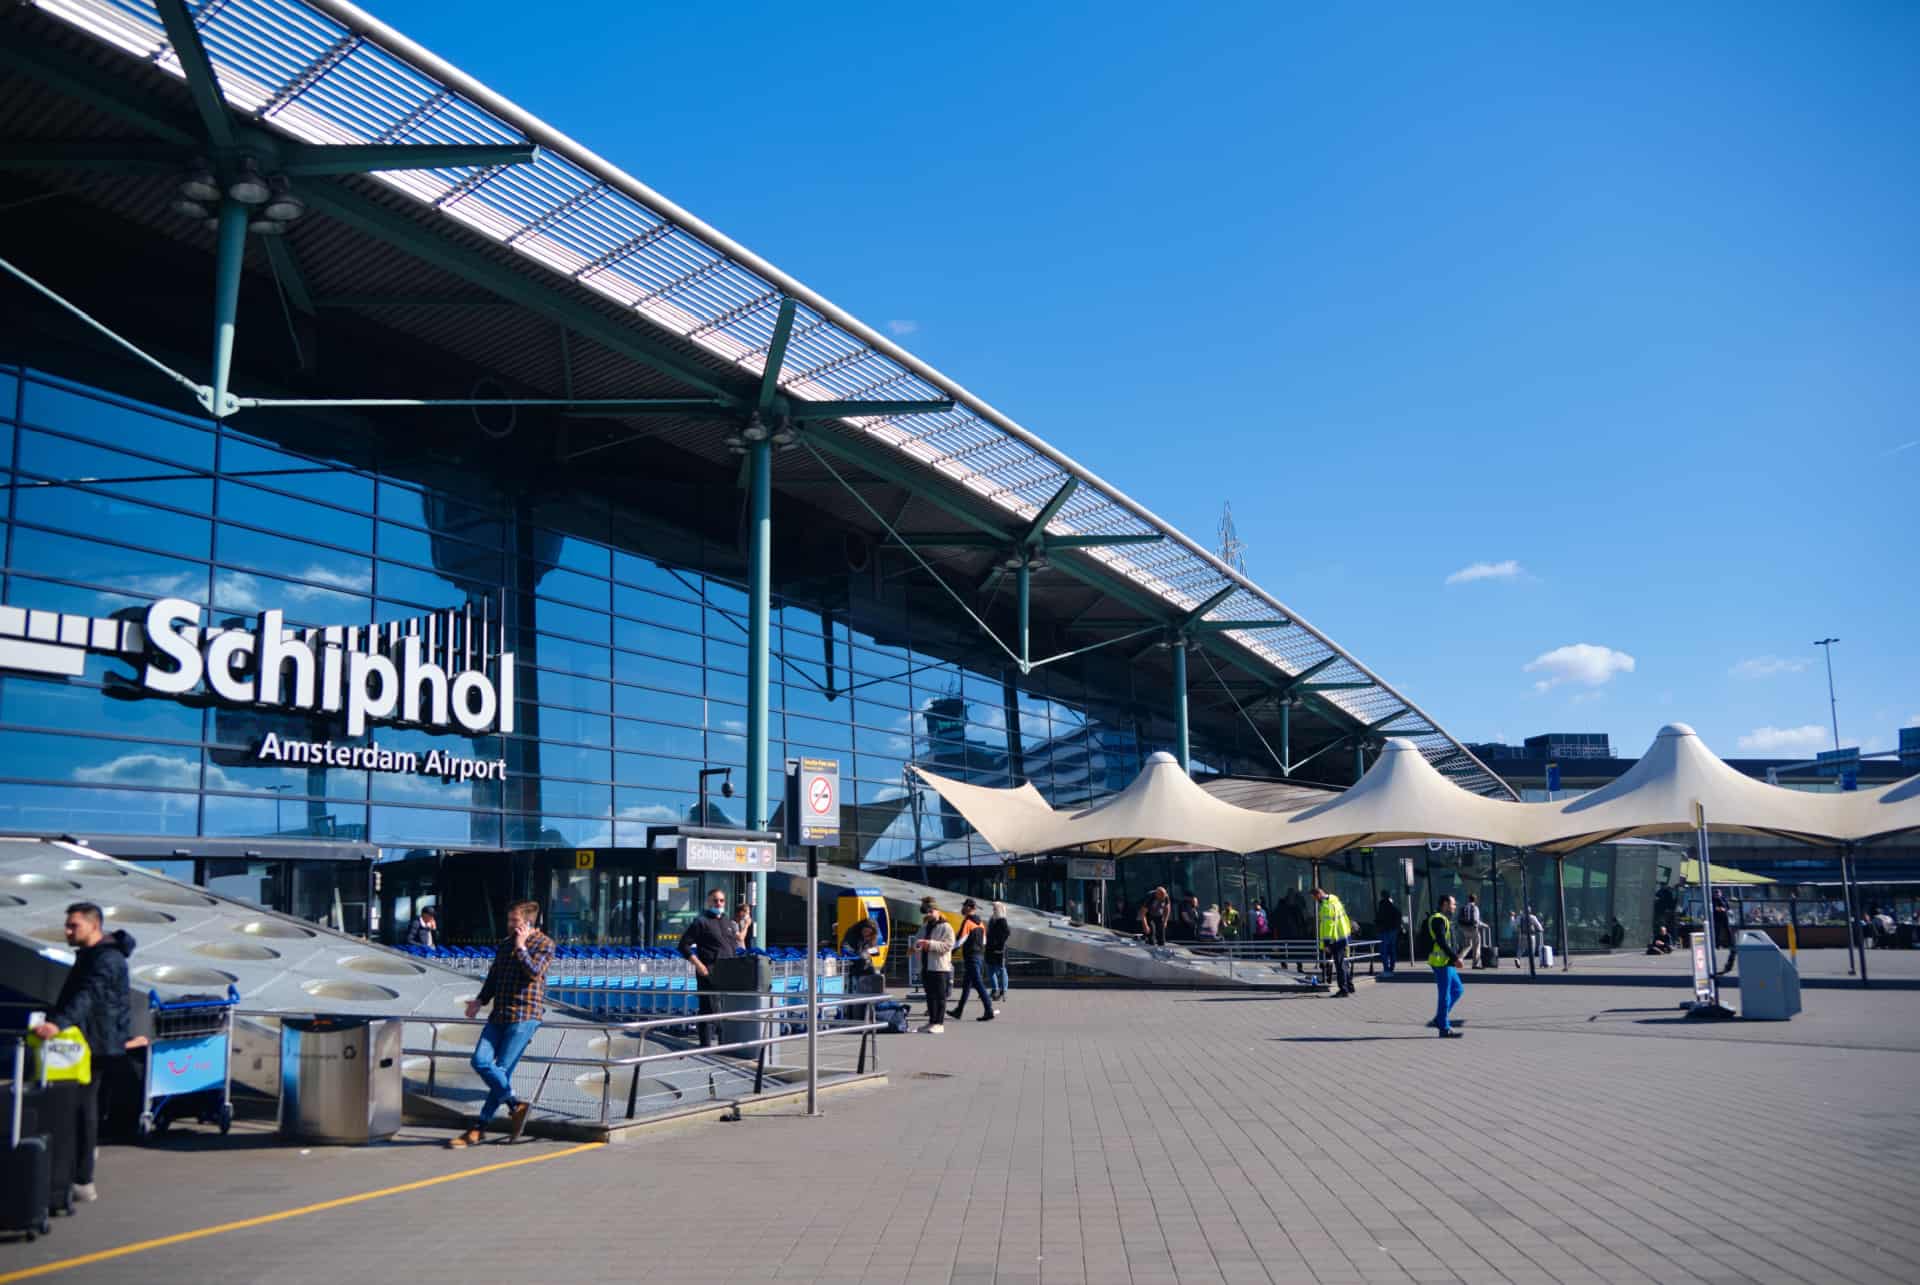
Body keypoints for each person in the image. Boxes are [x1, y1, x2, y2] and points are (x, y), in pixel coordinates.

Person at [31, 902, 132, 1203]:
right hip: (88, 1039)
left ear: (94, 925)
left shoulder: (106, 959)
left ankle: (83, 1177)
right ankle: (80, 1162)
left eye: (74, 925)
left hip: (96, 1042)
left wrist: (57, 1024)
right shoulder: (93, 955)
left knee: (81, 1106)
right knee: (80, 1105)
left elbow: (88, 996)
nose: (67, 930)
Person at [451, 899, 553, 1147]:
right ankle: (515, 1105)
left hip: (524, 1016)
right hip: (499, 1015)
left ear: (528, 922)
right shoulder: (504, 944)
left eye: (513, 921)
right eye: (509, 920)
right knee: (480, 1061)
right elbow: (494, 977)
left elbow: (534, 972)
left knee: (503, 1070)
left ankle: (478, 1128)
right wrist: (479, 1000)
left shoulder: (545, 944)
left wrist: (521, 947)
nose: (508, 925)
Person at [677, 887, 739, 1048]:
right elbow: (683, 946)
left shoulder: (728, 922)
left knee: (726, 1009)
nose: (718, 903)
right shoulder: (701, 922)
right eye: (715, 900)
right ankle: (705, 1046)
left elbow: (732, 947)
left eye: (721, 900)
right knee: (709, 1008)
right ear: (708, 902)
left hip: (728, 972)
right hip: (708, 971)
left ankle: (725, 1044)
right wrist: (698, 965)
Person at [911, 897, 955, 1033]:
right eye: (925, 913)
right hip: (926, 966)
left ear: (936, 910)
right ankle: (931, 1021)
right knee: (930, 995)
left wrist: (929, 944)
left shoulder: (946, 927)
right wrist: (917, 945)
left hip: (940, 967)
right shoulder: (925, 926)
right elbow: (916, 940)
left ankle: (939, 1023)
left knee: (940, 996)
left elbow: (948, 945)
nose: (927, 915)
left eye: (929, 912)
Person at [948, 899, 995, 1021]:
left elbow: (959, 941)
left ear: (969, 908)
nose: (962, 908)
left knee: (978, 984)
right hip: (979, 955)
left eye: (964, 906)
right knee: (967, 985)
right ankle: (959, 1010)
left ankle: (989, 1009)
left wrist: (949, 954)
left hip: (971, 957)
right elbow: (984, 941)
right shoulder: (981, 924)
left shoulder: (968, 922)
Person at [1426, 894, 1464, 1037]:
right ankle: (1444, 1028)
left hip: (1447, 962)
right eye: (1453, 904)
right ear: (1445, 904)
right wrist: (1455, 958)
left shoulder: (1445, 919)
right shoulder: (1438, 920)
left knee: (1458, 989)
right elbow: (1441, 942)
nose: (1454, 907)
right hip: (1441, 962)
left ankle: (1439, 1019)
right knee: (1445, 995)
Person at [1312, 887, 1355, 998]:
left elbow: (1328, 926)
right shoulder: (1335, 901)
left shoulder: (1326, 906)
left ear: (1318, 895)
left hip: (1335, 939)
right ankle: (1350, 986)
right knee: (1344, 963)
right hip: (1343, 936)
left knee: (1339, 964)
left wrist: (1326, 944)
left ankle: (1343, 990)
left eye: (1314, 897)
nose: (1315, 900)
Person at [985, 901, 1012, 1002]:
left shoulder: (1002, 920)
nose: (993, 910)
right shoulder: (993, 919)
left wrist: (999, 944)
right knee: (991, 969)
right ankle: (995, 989)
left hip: (998, 950)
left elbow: (1007, 933)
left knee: (1001, 969)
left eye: (995, 908)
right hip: (991, 948)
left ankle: (1002, 990)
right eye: (993, 908)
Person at [1375, 891, 1402, 976]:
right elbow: (1398, 915)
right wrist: (1397, 927)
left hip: (1384, 931)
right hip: (1393, 930)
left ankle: (1386, 968)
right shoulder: (1392, 907)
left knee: (1384, 951)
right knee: (1392, 949)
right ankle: (1392, 967)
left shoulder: (1381, 906)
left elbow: (1379, 919)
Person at [1711, 891, 1736, 975]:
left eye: (1718, 893)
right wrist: (1720, 909)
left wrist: (1724, 909)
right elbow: (1714, 908)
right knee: (1717, 931)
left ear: (1721, 894)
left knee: (1727, 930)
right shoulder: (1713, 900)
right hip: (1717, 918)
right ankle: (1717, 944)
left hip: (1725, 917)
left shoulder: (1723, 899)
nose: (1717, 895)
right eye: (1716, 893)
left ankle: (1730, 943)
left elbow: (1728, 908)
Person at [1459, 893, 1485, 968]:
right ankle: (1475, 964)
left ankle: (1459, 958)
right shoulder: (1475, 908)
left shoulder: (1464, 907)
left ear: (1468, 899)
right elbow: (1476, 920)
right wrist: (1484, 925)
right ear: (1475, 900)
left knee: (1468, 945)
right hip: (1473, 929)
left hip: (1465, 929)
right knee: (1476, 946)